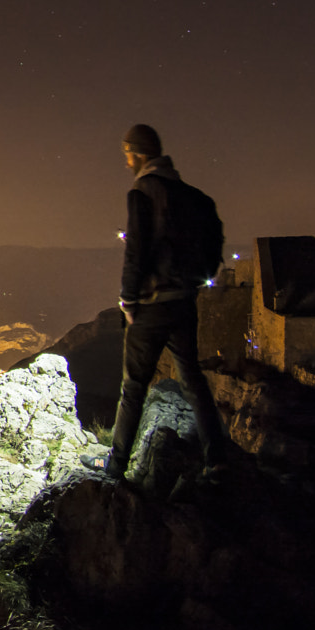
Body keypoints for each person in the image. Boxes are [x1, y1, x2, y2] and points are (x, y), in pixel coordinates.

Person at [90, 123, 233, 478]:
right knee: (193, 381)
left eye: (127, 155)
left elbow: (136, 249)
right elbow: (215, 243)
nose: (126, 163)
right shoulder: (196, 197)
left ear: (138, 154)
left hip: (151, 305)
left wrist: (127, 299)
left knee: (134, 386)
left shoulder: (143, 191)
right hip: (184, 302)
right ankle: (217, 457)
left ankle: (117, 463)